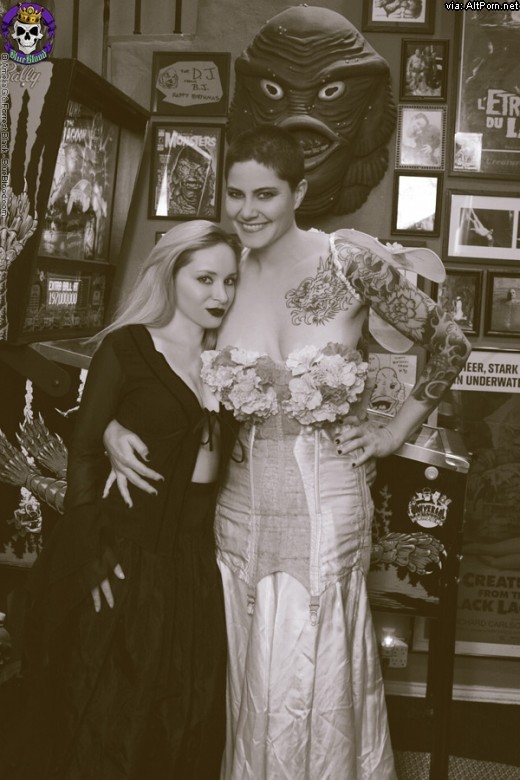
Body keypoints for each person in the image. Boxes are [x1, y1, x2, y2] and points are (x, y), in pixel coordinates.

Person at [104, 126, 471, 780]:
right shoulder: (220, 272)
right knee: (247, 663)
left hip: (329, 502)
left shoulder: (349, 263)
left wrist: (393, 432)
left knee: (316, 660)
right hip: (237, 505)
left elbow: (450, 344)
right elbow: (146, 358)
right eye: (235, 193)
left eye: (265, 194)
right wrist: (108, 426)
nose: (247, 210)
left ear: (299, 192)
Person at [12, 221, 240, 779]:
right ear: (171, 275)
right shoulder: (128, 346)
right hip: (127, 555)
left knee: (186, 712)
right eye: (205, 279)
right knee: (111, 712)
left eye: (230, 281)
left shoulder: (235, 357)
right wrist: (89, 554)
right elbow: (85, 451)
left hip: (198, 562)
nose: (220, 294)